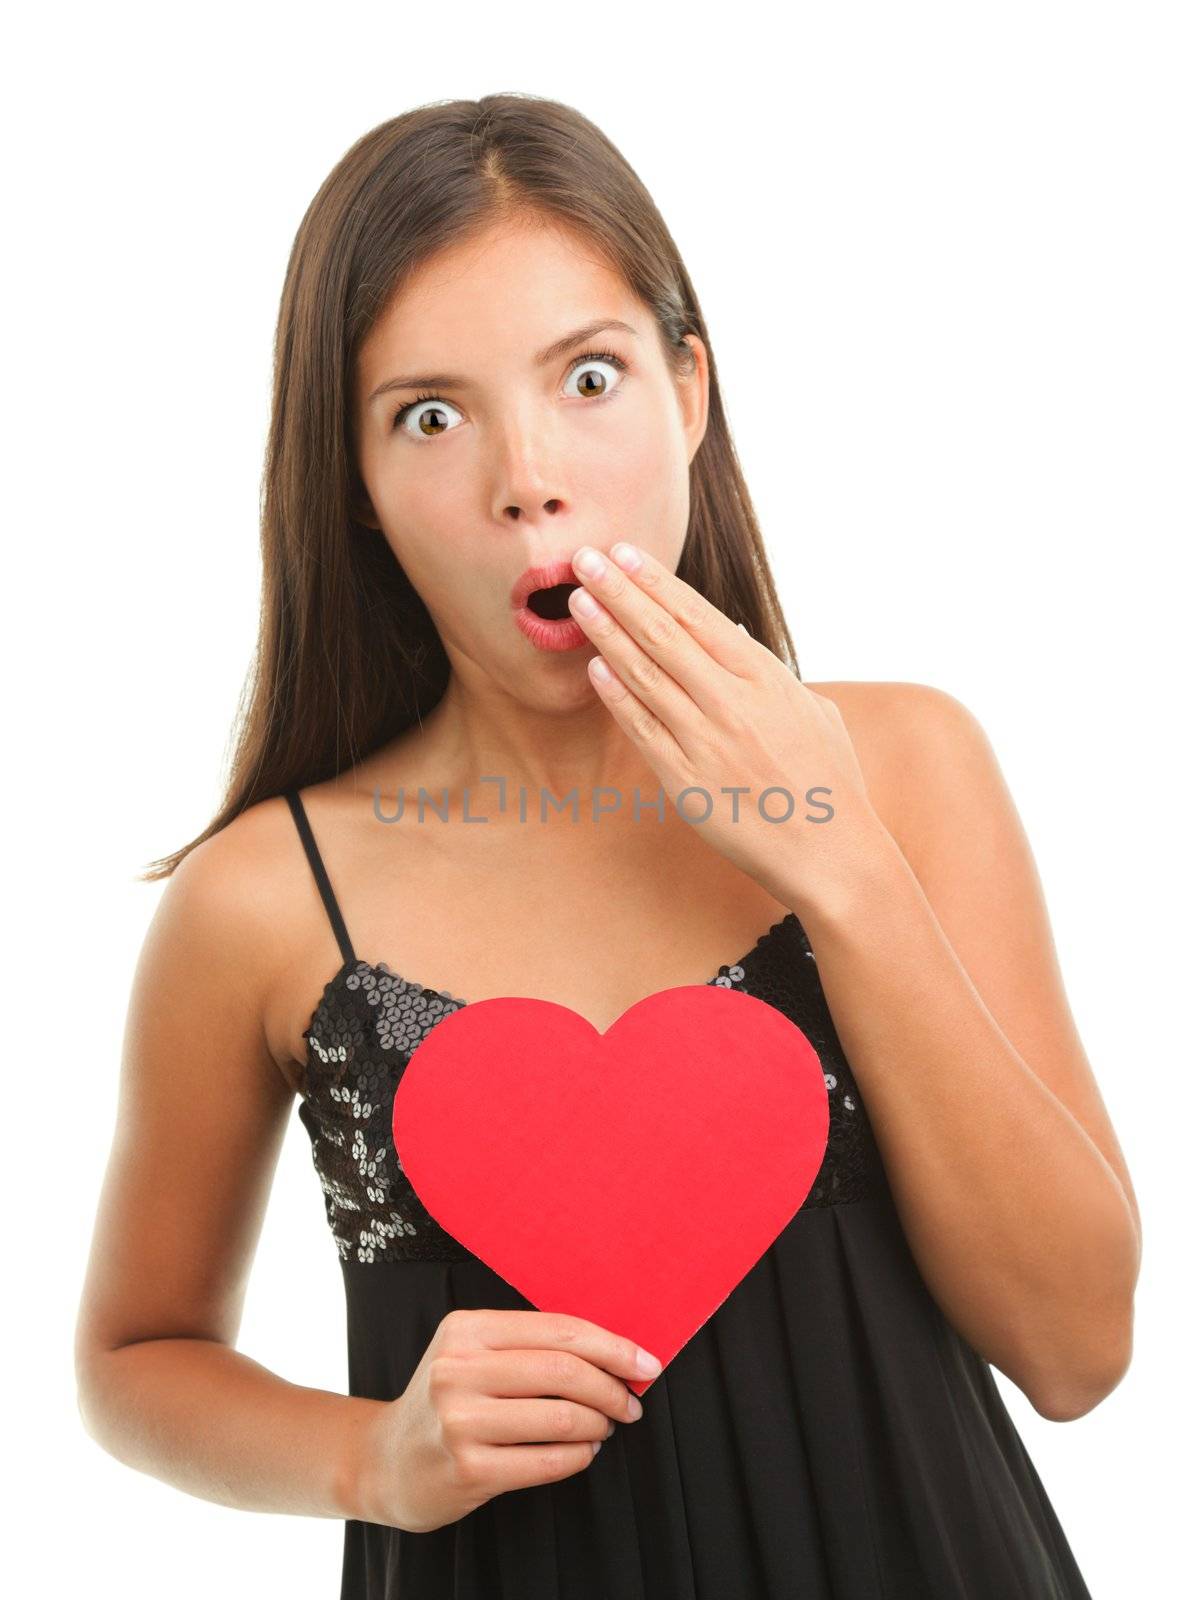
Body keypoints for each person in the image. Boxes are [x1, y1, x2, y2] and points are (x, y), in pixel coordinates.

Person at [74, 93, 1140, 1599]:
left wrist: (836, 860)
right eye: (429, 417)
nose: (530, 477)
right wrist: (371, 1459)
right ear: (360, 489)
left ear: (690, 390)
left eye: (589, 376)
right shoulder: (260, 900)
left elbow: (1080, 1349)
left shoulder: (903, 764)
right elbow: (134, 1357)